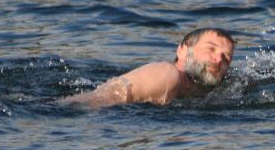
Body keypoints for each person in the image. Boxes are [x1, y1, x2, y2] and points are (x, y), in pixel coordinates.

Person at [67, 27, 235, 108]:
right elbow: (101, 99)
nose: (218, 59)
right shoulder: (168, 75)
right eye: (210, 49)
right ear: (183, 49)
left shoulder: (211, 90)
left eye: (226, 58)